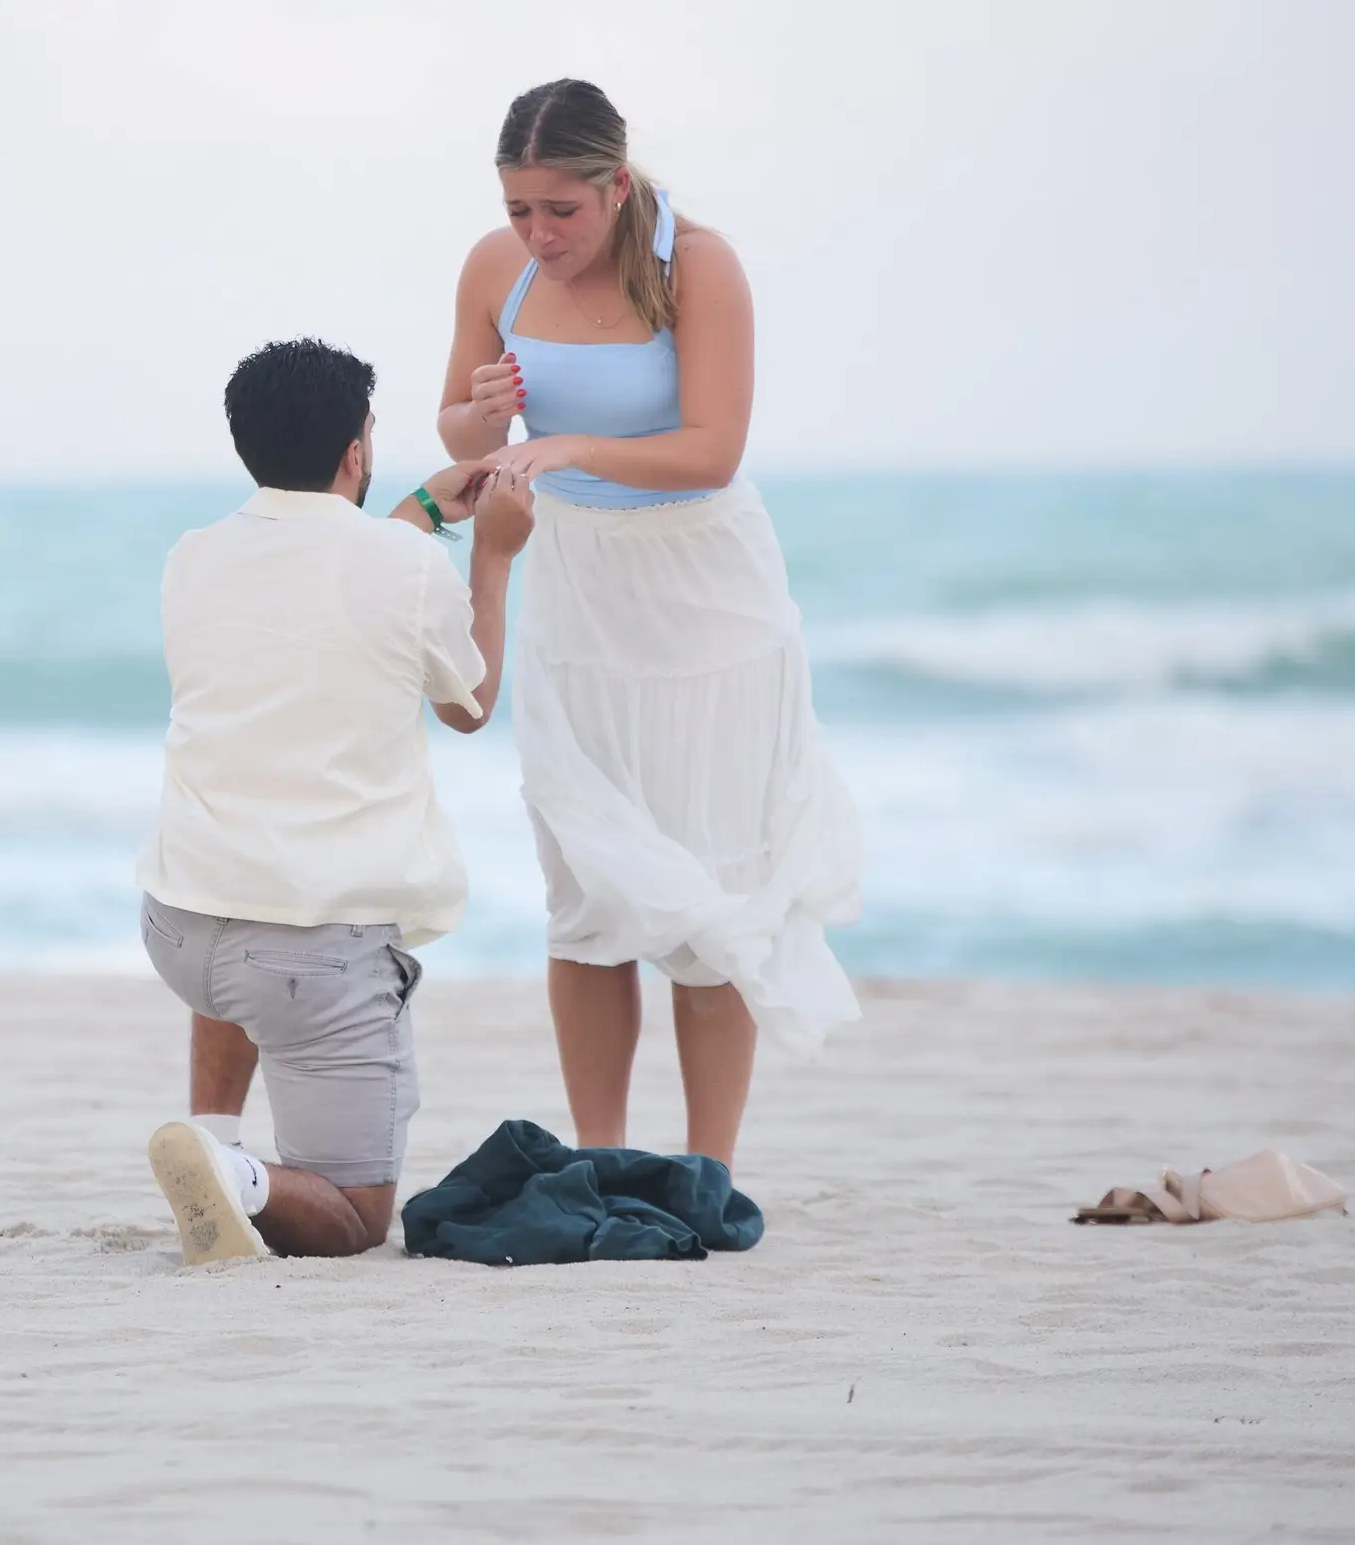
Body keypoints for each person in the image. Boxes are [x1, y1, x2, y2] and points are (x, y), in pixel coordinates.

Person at [436, 77, 862, 1166]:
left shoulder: (696, 264)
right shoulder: (497, 270)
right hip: (575, 582)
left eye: (560, 211)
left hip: (703, 589)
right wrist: (482, 416)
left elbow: (714, 447)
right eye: (517, 209)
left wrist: (571, 445)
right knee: (584, 887)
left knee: (712, 888)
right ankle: (604, 1158)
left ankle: (706, 1169)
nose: (537, 233)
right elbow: (454, 423)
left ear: (616, 187)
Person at [137, 337, 535, 1264]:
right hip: (309, 954)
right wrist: (497, 557)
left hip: (180, 929)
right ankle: (232, 1175)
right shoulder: (404, 567)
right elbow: (467, 703)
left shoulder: (191, 557)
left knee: (242, 875)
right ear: (356, 450)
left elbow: (331, 573)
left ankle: (217, 1134)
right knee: (358, 1219)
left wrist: (430, 507)